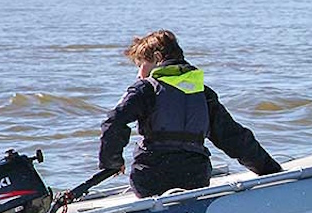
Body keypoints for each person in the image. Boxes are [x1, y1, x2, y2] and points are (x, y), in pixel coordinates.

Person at [98, 30, 284, 198]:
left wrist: (112, 162)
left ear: (157, 57)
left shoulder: (145, 89)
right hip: (194, 178)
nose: (139, 74)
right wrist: (271, 171)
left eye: (141, 65)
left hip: (151, 179)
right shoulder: (202, 93)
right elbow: (234, 138)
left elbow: (113, 123)